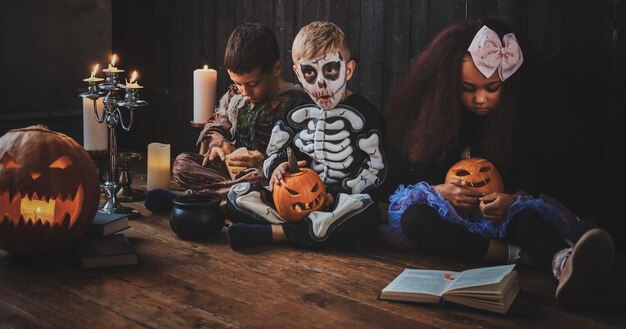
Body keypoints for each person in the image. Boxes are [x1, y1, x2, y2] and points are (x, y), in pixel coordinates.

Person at [381, 18, 614, 307]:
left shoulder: (520, 121)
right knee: (414, 219)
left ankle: (562, 263)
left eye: (492, 88)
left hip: (502, 214)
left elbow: (534, 172)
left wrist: (511, 198)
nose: (481, 99)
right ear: (450, 85)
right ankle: (520, 255)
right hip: (453, 218)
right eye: (469, 88)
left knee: (524, 217)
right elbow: (417, 170)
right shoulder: (436, 120)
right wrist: (441, 191)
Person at [225, 21, 387, 251]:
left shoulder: (366, 114)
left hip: (338, 204)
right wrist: (278, 167)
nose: (321, 83)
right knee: (238, 196)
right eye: (309, 73)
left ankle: (277, 233)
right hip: (293, 200)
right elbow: (274, 151)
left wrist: (337, 193)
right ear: (297, 74)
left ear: (348, 70)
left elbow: (375, 170)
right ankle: (312, 232)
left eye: (331, 70)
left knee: (365, 213)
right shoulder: (294, 108)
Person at [147, 23, 304, 211]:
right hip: (230, 176)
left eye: (253, 84)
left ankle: (192, 200)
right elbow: (214, 126)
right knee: (182, 164)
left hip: (268, 177)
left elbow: (302, 156)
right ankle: (236, 201)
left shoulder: (294, 103)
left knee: (266, 184)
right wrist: (219, 143)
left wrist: (265, 162)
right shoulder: (235, 98)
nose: (245, 91)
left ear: (276, 68)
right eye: (237, 83)